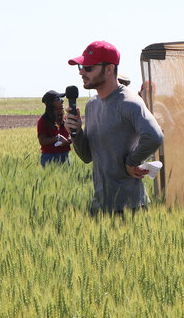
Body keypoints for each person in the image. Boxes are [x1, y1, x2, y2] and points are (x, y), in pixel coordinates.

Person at [64, 41, 164, 214]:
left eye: (88, 67)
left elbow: (155, 136)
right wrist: (77, 133)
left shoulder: (129, 102)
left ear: (109, 69)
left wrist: (132, 162)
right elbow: (88, 156)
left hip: (130, 207)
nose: (81, 72)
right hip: (100, 204)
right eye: (80, 66)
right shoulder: (92, 105)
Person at [37, 90, 71, 167]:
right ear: (51, 103)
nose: (62, 101)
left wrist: (70, 140)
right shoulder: (43, 121)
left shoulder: (64, 118)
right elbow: (42, 141)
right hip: (49, 157)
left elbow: (70, 135)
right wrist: (58, 138)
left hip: (65, 155)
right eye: (58, 99)